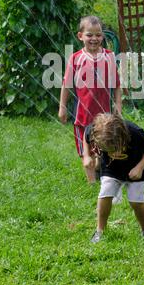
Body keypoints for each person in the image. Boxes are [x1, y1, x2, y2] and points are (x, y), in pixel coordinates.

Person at [58, 15, 122, 183]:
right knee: (86, 155)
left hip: (104, 117)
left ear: (102, 36)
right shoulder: (76, 58)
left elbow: (116, 85)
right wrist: (62, 107)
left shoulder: (109, 57)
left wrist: (118, 106)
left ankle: (101, 169)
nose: (94, 38)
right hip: (82, 117)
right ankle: (91, 184)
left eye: (98, 35)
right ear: (80, 36)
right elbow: (66, 85)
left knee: (103, 148)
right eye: (89, 35)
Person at [83, 113, 144, 243]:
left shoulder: (134, 132)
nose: (113, 153)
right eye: (107, 149)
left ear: (122, 136)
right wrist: (87, 156)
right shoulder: (96, 130)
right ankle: (100, 230)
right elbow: (86, 135)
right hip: (111, 168)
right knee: (105, 193)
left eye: (114, 148)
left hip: (135, 168)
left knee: (136, 200)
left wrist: (139, 167)